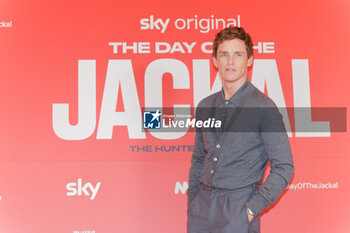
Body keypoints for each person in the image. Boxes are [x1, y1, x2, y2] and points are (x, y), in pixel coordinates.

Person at [187, 26, 295, 233]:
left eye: (238, 55)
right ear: (214, 61)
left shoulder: (264, 107)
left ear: (249, 60)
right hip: (201, 207)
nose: (230, 62)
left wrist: (251, 210)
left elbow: (284, 166)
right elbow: (199, 159)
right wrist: (194, 201)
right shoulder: (205, 106)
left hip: (238, 204)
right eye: (224, 55)